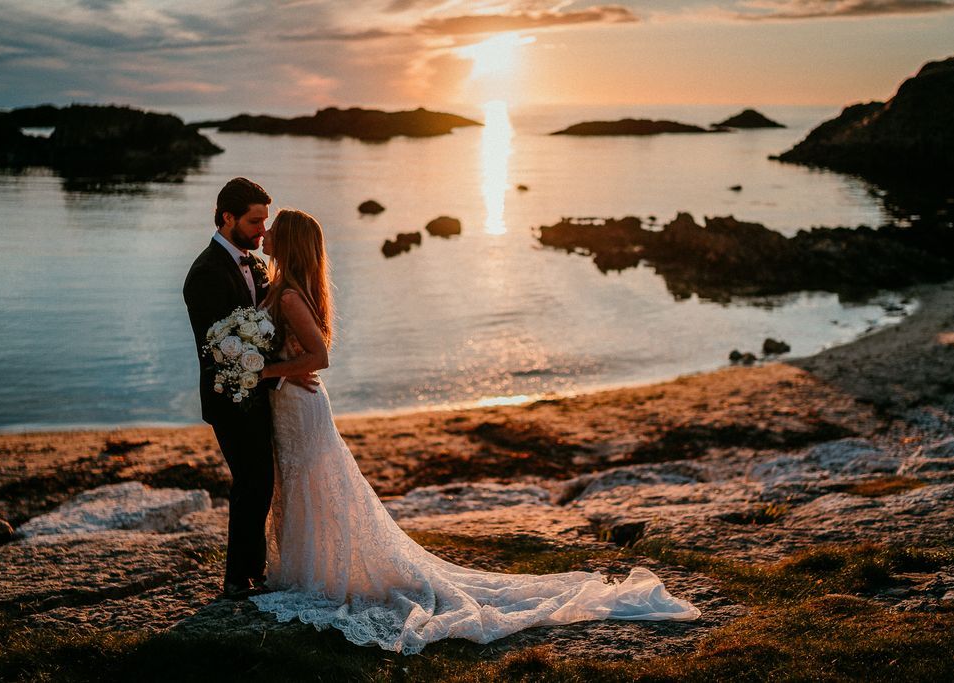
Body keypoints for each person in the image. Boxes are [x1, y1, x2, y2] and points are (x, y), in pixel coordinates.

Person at [250, 208, 701, 654]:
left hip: (299, 403)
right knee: (303, 486)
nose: (265, 234)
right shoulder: (284, 287)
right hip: (293, 404)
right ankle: (306, 569)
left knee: (316, 487)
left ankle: (312, 576)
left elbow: (319, 357)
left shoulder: (290, 296)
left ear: (289, 242)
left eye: (273, 230)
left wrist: (266, 370)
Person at [182, 177, 314, 599]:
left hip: (264, 394)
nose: (263, 230)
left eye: (265, 222)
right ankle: (239, 579)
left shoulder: (257, 265)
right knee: (252, 482)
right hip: (230, 398)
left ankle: (255, 572)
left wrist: (287, 363)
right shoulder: (204, 274)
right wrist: (283, 368)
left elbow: (270, 330)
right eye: (256, 222)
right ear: (228, 217)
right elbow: (219, 348)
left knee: (263, 481)